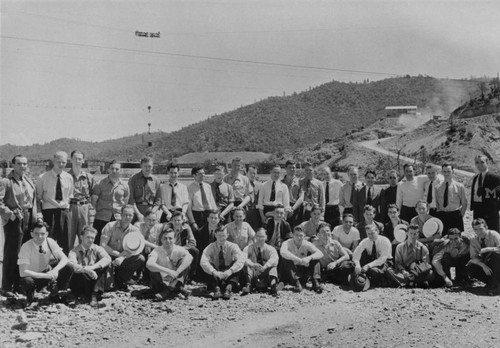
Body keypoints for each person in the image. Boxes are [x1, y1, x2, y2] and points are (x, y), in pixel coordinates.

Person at [0, 155, 41, 296]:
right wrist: (9, 214)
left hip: (29, 218)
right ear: (13, 165)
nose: (22, 166)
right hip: (15, 219)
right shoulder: (6, 182)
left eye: (25, 164)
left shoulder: (28, 181)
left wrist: (35, 218)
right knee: (12, 253)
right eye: (19, 164)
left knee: (24, 253)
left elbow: (34, 201)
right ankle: (6, 287)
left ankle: (19, 285)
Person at [18, 221, 74, 304]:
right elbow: (22, 272)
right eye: (36, 233)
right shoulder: (26, 246)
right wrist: (47, 276)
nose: (40, 236)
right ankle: (30, 295)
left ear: (47, 234)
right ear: (31, 234)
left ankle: (55, 292)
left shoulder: (49, 242)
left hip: (46, 272)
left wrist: (55, 270)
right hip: (32, 276)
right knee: (27, 281)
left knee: (68, 267)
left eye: (42, 234)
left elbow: (65, 258)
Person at [36, 151, 74, 254]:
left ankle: (65, 267)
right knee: (48, 241)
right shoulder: (42, 178)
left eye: (64, 162)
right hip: (49, 213)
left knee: (65, 242)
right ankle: (47, 266)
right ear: (53, 161)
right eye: (58, 162)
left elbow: (69, 196)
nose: (61, 164)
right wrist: (39, 215)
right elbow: (38, 198)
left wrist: (65, 210)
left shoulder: (69, 178)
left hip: (64, 212)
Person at [100, 205, 145, 291]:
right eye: (125, 214)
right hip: (109, 256)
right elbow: (102, 245)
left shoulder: (135, 230)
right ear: (120, 214)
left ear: (133, 216)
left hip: (124, 257)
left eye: (130, 215)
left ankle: (122, 277)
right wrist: (118, 254)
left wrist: (121, 257)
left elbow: (135, 250)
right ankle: (112, 277)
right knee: (108, 287)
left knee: (140, 258)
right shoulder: (110, 226)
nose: (128, 217)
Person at [67, 226, 111, 306]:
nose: (90, 240)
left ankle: (94, 294)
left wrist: (92, 267)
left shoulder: (97, 248)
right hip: (79, 282)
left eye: (92, 238)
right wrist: (87, 270)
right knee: (77, 268)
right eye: (88, 237)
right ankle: (92, 294)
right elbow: (72, 264)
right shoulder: (74, 251)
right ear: (81, 237)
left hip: (93, 280)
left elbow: (108, 259)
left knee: (104, 265)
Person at [146, 228, 193, 300]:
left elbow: (190, 257)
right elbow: (149, 264)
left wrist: (177, 272)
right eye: (165, 238)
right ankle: (177, 289)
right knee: (152, 268)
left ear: (174, 239)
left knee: (184, 261)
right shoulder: (157, 250)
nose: (168, 241)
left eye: (170, 238)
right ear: (161, 240)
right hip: (161, 283)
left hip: (175, 279)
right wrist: (169, 271)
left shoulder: (178, 249)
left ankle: (169, 290)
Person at [200, 226, 246, 300]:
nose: (221, 238)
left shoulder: (233, 246)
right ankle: (216, 289)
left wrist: (230, 271)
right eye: (219, 235)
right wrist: (214, 272)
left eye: (223, 235)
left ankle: (228, 289)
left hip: (229, 273)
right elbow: (203, 261)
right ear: (215, 235)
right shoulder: (210, 247)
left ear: (227, 235)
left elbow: (241, 259)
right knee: (207, 266)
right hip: (216, 274)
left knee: (239, 265)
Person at [92, 160, 130, 245]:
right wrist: (99, 211)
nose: (114, 171)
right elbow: (94, 201)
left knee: (115, 243)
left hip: (117, 218)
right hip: (101, 218)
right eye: (112, 168)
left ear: (120, 170)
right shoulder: (99, 184)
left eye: (117, 169)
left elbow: (126, 201)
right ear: (108, 170)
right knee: (98, 242)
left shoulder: (124, 185)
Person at [280, 226, 324, 293]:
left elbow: (320, 253)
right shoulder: (287, 243)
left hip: (302, 270)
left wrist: (309, 258)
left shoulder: (306, 243)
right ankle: (296, 283)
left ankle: (315, 282)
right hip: (290, 272)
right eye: (296, 235)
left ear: (304, 236)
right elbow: (283, 252)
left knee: (315, 258)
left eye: (301, 235)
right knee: (285, 258)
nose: (298, 238)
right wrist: (299, 260)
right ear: (292, 235)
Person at [241, 228, 283, 297]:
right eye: (258, 236)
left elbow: (275, 259)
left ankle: (273, 287)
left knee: (273, 267)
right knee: (246, 266)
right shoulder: (248, 248)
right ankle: (248, 286)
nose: (260, 239)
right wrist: (252, 264)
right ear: (255, 237)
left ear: (266, 237)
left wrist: (265, 266)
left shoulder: (270, 248)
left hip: (265, 275)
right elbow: (243, 258)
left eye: (262, 236)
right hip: (253, 274)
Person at [68, 150, 96, 248]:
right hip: (70, 208)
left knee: (85, 235)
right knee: (69, 235)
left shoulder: (88, 177)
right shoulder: (66, 177)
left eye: (80, 159)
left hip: (84, 207)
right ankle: (68, 261)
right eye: (75, 158)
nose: (77, 161)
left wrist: (91, 210)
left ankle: (83, 259)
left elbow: (93, 194)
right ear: (71, 160)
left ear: (83, 161)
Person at [467, 218, 500, 295]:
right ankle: (491, 283)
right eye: (476, 229)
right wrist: (483, 265)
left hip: (497, 262)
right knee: (470, 266)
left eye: (481, 229)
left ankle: (495, 286)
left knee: (492, 255)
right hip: (487, 264)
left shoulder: (493, 234)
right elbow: (473, 257)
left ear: (486, 227)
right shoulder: (473, 239)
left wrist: (489, 249)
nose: (479, 232)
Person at [470, 155, 500, 232]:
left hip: (490, 211)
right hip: (477, 210)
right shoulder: (475, 178)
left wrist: (496, 208)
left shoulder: (495, 177)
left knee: (492, 234)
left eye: (482, 162)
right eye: (477, 162)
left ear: (487, 163)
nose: (479, 164)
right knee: (479, 233)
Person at [435, 164, 467, 235]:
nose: (446, 173)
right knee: (443, 240)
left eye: (448, 171)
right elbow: (437, 203)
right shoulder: (437, 187)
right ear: (442, 172)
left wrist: (460, 216)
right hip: (442, 215)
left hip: (455, 215)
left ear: (453, 172)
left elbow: (464, 203)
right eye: (444, 171)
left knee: (456, 240)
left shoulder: (459, 186)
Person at [167, 211, 199, 281]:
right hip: (170, 249)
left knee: (195, 251)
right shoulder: (167, 227)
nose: (177, 222)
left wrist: (181, 248)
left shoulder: (186, 227)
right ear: (171, 220)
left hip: (182, 248)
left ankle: (191, 277)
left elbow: (193, 242)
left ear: (182, 221)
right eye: (174, 220)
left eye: (179, 220)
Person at [128, 156, 161, 223]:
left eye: (149, 166)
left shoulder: (156, 181)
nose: (147, 168)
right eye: (145, 166)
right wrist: (138, 214)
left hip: (151, 210)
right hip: (136, 210)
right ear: (141, 166)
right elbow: (131, 199)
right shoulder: (133, 179)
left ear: (152, 167)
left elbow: (158, 200)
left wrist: (151, 213)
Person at [187, 166, 217, 230]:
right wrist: (192, 222)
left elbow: (212, 202)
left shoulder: (207, 186)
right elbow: (188, 207)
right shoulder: (190, 188)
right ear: (194, 175)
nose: (202, 175)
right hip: (198, 215)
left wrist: (216, 215)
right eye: (200, 174)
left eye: (203, 173)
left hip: (209, 214)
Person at [282, 160, 301, 228]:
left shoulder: (300, 182)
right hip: (283, 209)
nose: (292, 169)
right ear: (285, 169)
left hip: (295, 209)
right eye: (290, 167)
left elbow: (301, 198)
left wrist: (292, 209)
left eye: (294, 167)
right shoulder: (280, 182)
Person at [245, 165, 262, 230]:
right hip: (246, 211)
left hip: (256, 211)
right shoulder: (243, 184)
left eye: (254, 173)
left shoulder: (260, 185)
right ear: (246, 173)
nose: (253, 175)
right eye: (251, 173)